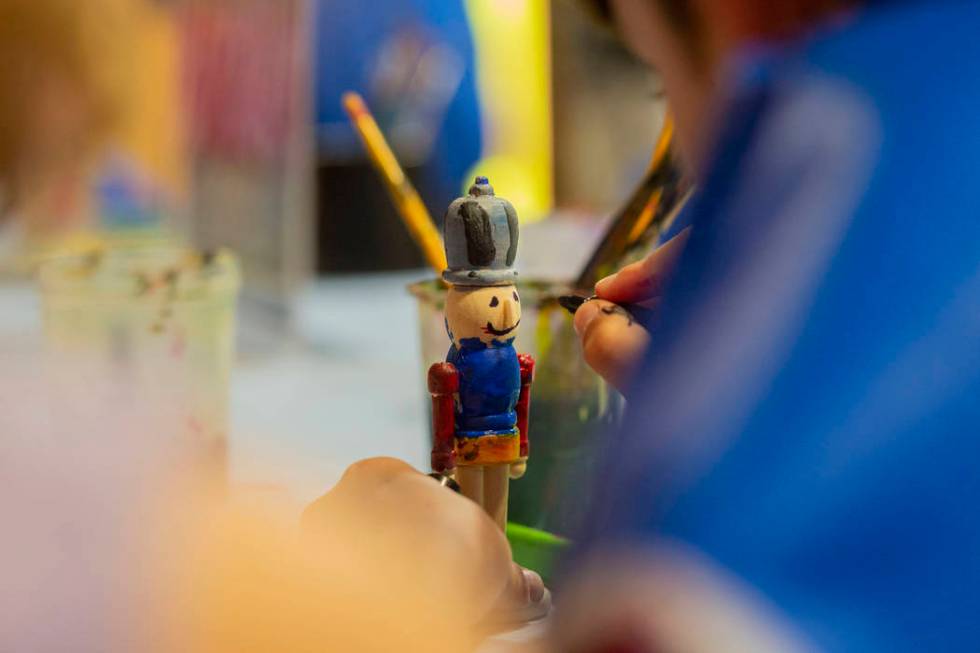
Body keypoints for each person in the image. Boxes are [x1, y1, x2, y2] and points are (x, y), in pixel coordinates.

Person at [555, 0, 980, 650]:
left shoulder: (852, 124)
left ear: (738, 16)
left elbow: (671, 613)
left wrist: (376, 587)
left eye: (660, 77)